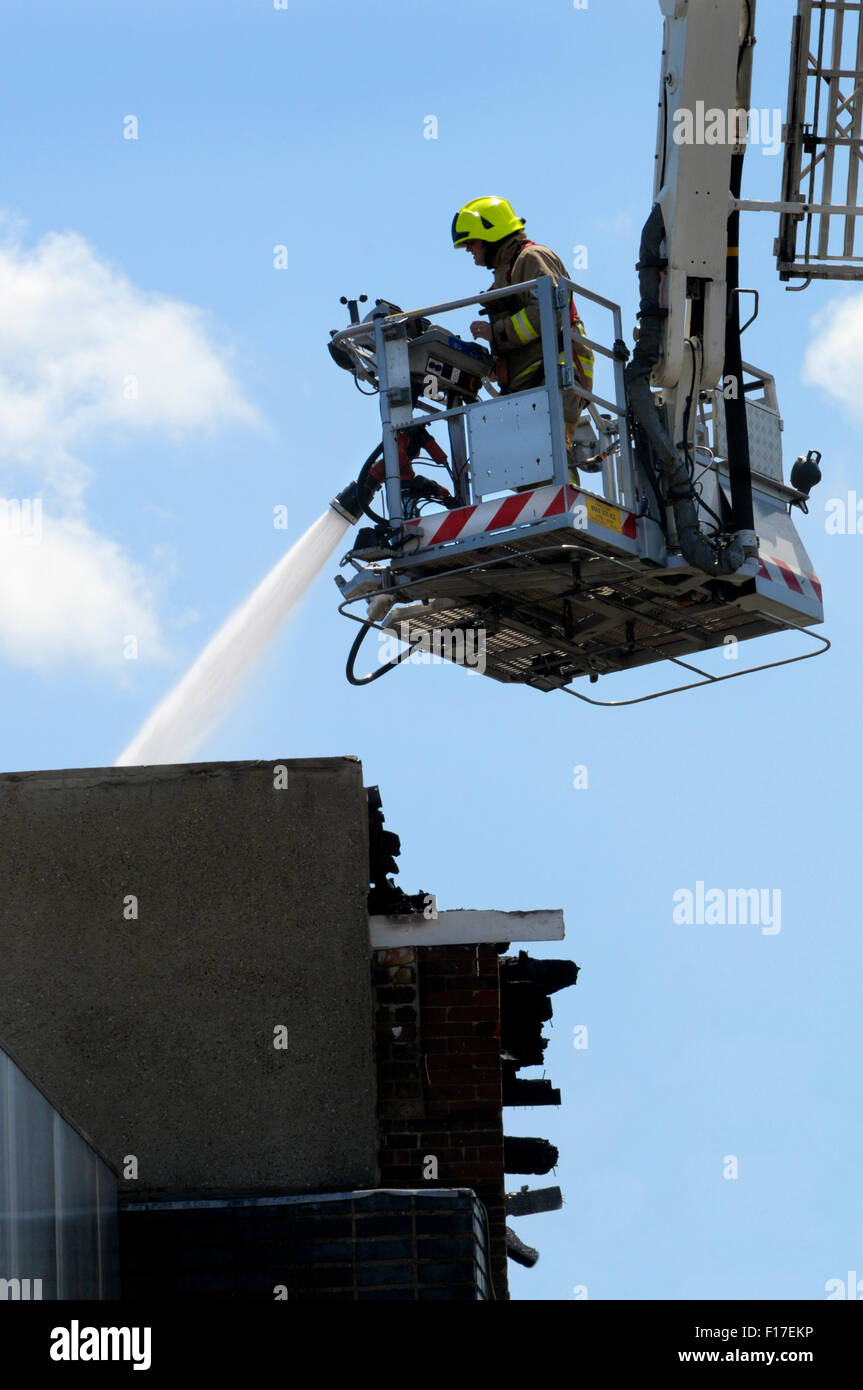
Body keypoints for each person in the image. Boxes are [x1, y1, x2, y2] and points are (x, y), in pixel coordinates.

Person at [452, 196, 594, 480]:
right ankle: (551, 516)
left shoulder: (532, 258)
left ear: (491, 234)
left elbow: (549, 311)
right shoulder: (505, 274)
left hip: (555, 373)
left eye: (472, 242)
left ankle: (566, 509)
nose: (469, 249)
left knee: (551, 455)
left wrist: (497, 332)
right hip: (530, 379)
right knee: (523, 465)